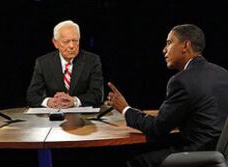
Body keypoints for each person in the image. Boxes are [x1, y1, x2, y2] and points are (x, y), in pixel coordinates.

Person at [107, 24, 228, 167]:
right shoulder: (223, 74)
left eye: (169, 43)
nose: (164, 49)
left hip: (198, 156)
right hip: (221, 156)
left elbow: (157, 128)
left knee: (135, 160)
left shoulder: (181, 81)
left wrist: (125, 109)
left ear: (185, 46)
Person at [26, 20, 104, 109]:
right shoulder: (43, 63)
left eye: (75, 41)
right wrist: (49, 102)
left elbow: (98, 95)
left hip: (83, 117)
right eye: (66, 41)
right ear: (55, 43)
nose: (71, 46)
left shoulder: (92, 61)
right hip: (53, 117)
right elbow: (31, 96)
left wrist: (74, 101)